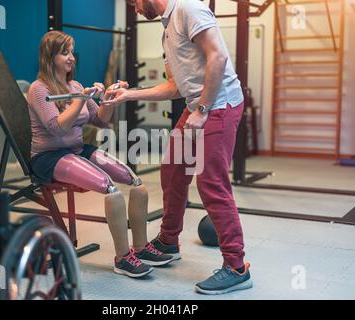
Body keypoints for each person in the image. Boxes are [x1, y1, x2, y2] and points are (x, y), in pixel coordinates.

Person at [102, 0, 252, 294]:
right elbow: (174, 87)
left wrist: (204, 109)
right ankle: (168, 241)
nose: (133, 9)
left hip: (219, 105)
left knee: (211, 182)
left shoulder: (188, 9)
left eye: (133, 2)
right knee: (172, 169)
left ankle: (236, 267)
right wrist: (127, 95)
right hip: (198, 105)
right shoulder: (166, 28)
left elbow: (218, 57)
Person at [27, 30, 173, 278]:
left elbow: (101, 121)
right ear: (50, 58)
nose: (71, 57)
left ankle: (141, 248)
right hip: (48, 157)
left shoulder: (73, 86)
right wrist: (81, 100)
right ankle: (122, 258)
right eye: (64, 53)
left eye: (72, 52)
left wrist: (108, 99)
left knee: (136, 183)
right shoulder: (39, 89)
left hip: (76, 149)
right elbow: (56, 126)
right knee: (111, 189)